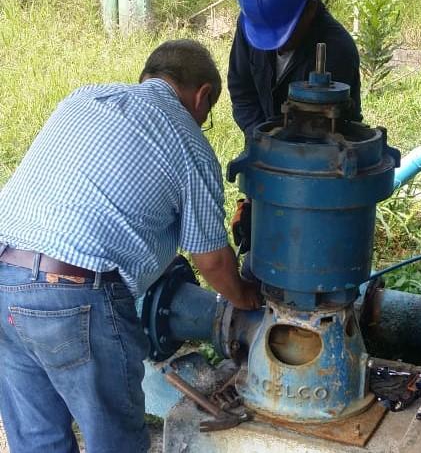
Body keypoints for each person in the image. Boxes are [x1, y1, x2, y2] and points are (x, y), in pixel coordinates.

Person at [0, 39, 261, 453]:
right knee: (116, 443)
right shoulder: (189, 144)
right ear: (203, 96)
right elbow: (211, 261)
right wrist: (245, 297)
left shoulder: (84, 97)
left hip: (4, 278)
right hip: (75, 294)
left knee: (37, 441)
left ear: (148, 77)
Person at [228, 0, 362, 140]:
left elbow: (333, 128)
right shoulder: (255, 23)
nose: (274, 46)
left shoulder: (338, 49)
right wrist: (259, 137)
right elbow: (242, 90)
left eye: (284, 35)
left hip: (319, 159)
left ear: (310, 10)